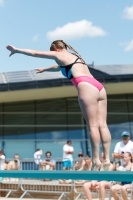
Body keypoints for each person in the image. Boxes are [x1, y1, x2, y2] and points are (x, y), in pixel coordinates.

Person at [6, 40, 111, 169]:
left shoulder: (59, 55)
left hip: (86, 86)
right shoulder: (75, 57)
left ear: (55, 49)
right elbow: (58, 67)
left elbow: (35, 53)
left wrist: (17, 50)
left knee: (93, 125)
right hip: (99, 87)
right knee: (103, 125)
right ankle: (106, 159)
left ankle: (96, 160)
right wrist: (45, 69)